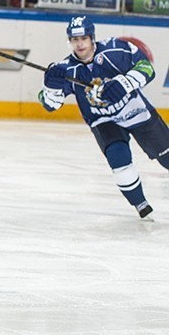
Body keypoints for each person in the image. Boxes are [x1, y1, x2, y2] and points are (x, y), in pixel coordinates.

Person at [38, 16, 169, 218]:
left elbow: (147, 68)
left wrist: (124, 84)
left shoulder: (116, 49)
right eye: (74, 39)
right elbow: (50, 105)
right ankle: (141, 204)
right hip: (103, 120)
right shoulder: (66, 69)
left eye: (83, 38)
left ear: (92, 38)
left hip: (135, 111)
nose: (79, 43)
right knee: (119, 159)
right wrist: (50, 88)